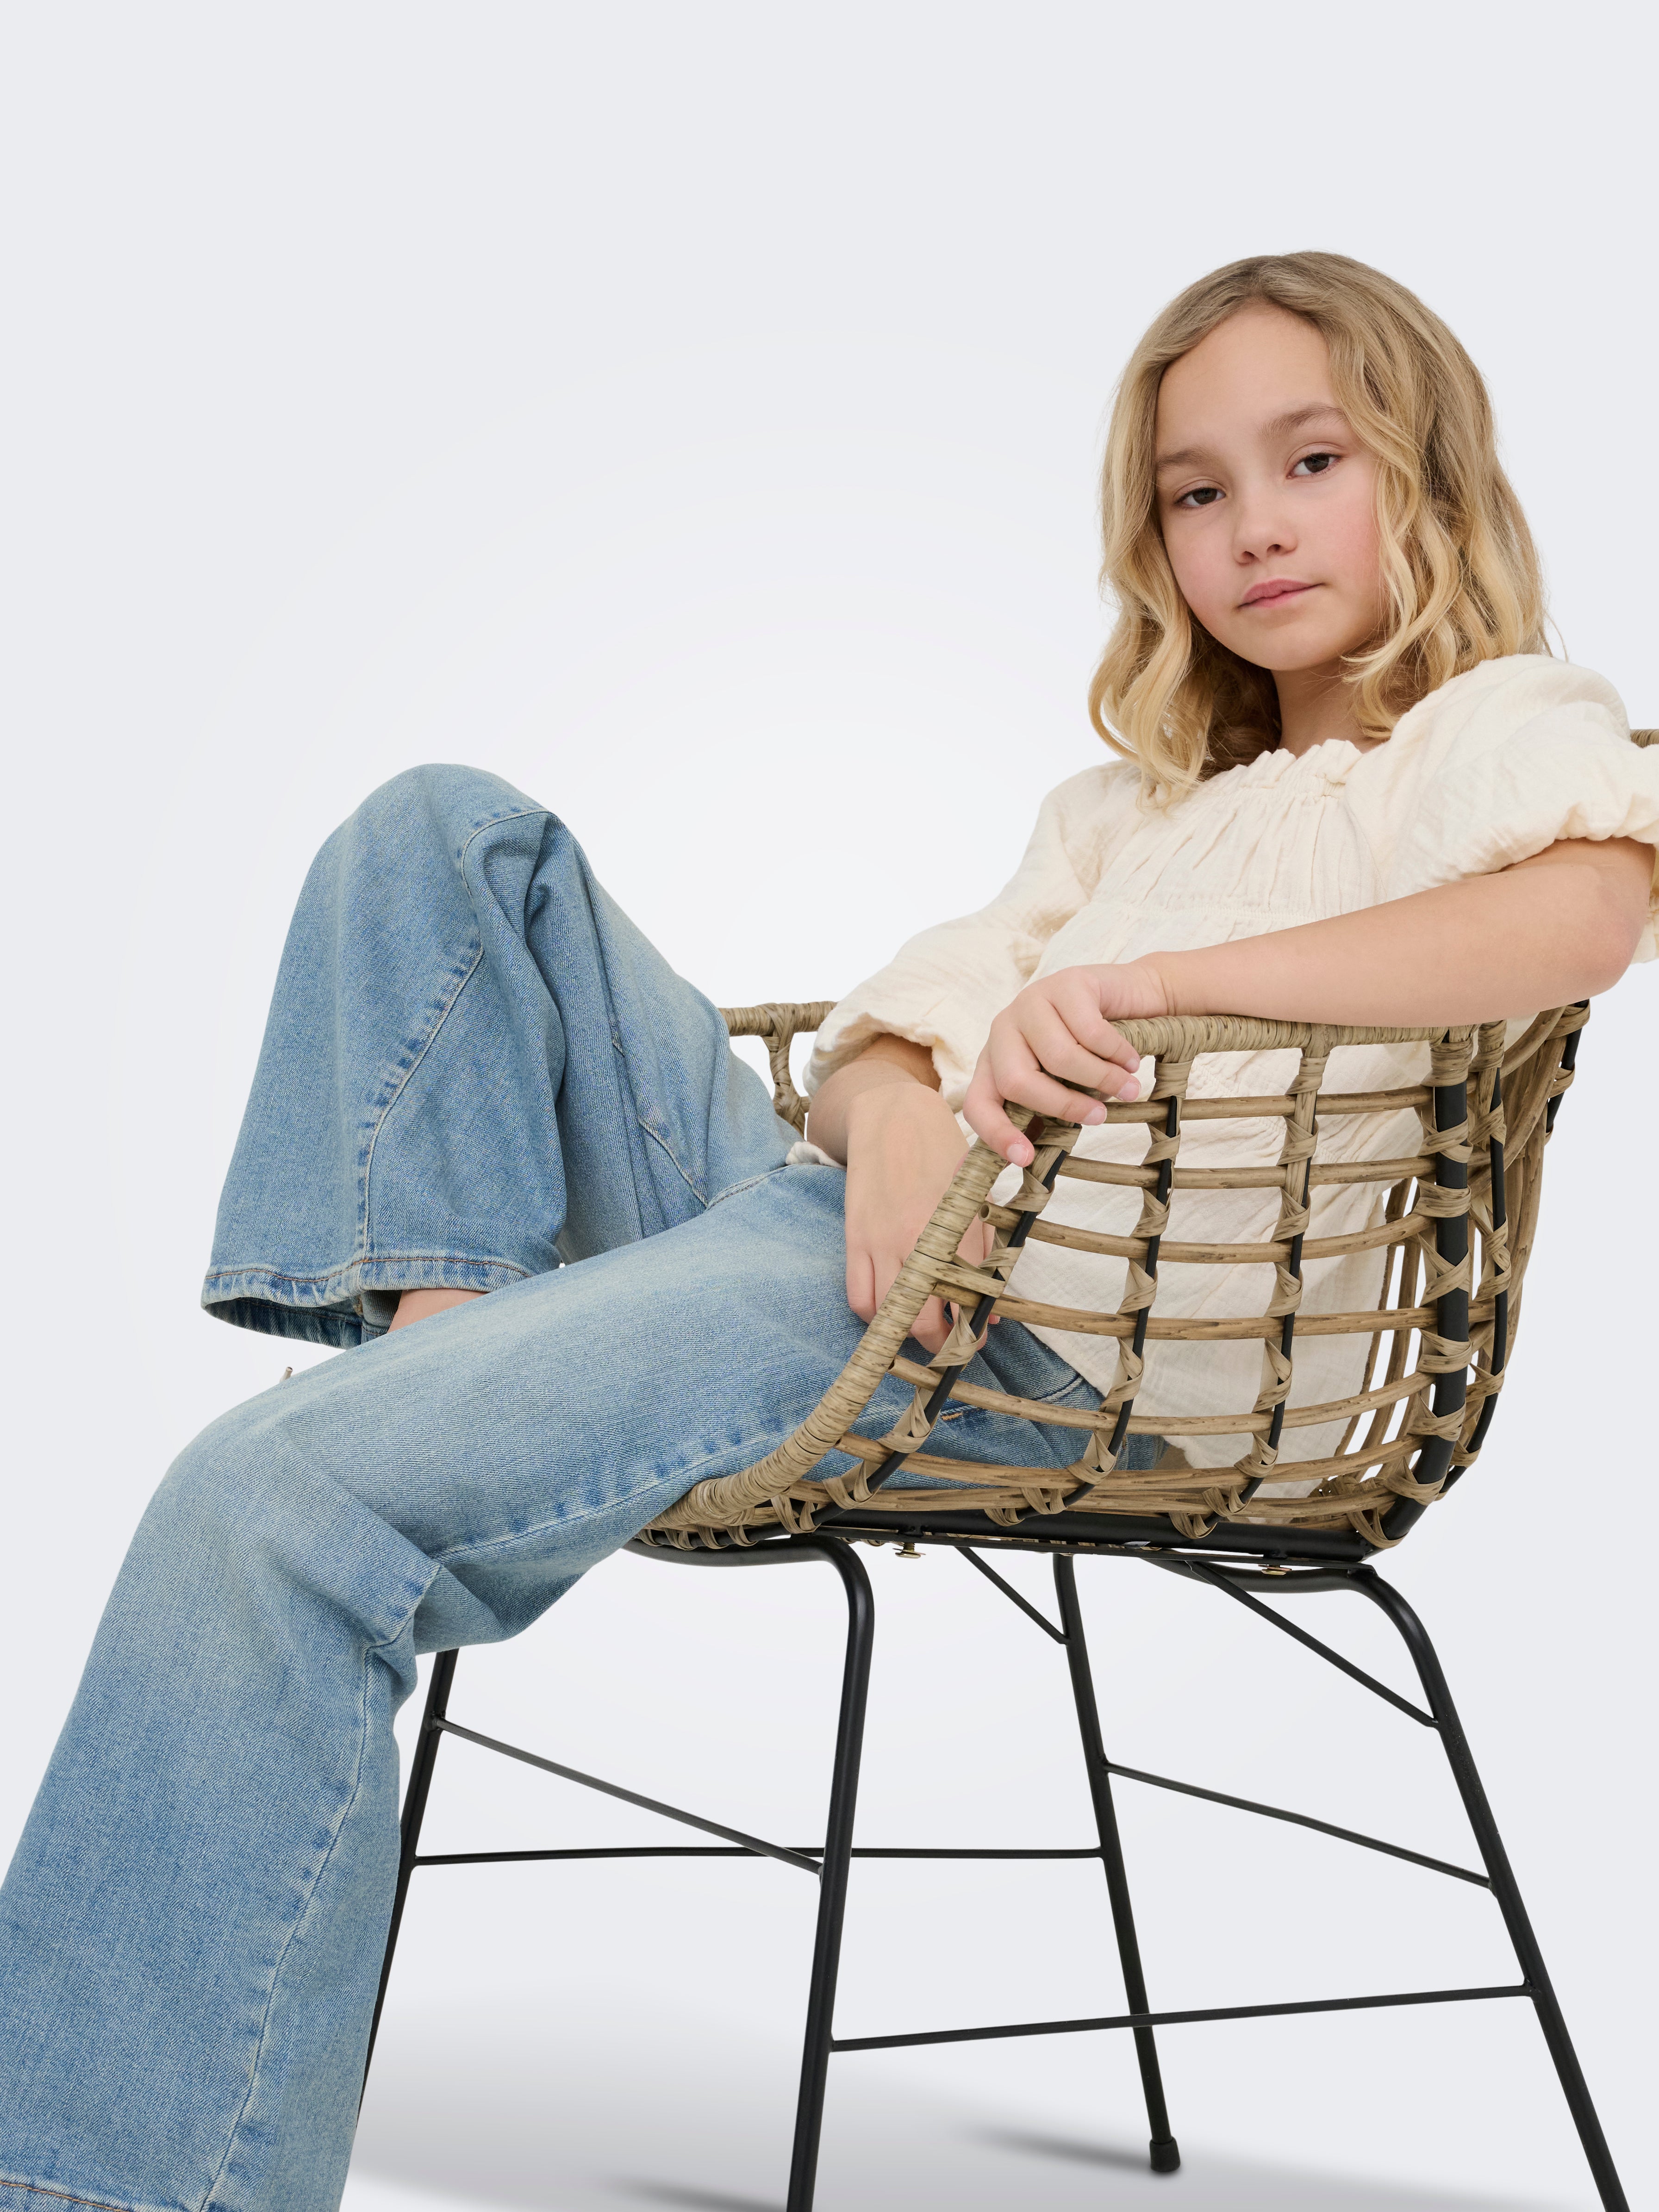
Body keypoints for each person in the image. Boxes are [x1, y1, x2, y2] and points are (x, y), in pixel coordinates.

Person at [0, 251, 1653, 2212]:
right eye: (1196, 491)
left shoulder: (1488, 735)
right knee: (445, 833)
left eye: (1312, 460)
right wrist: (889, 1123)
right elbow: (896, 1023)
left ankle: (108, 2161)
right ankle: (448, 1359)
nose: (1255, 526)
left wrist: (1162, 990)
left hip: (1031, 1347)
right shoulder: (1126, 812)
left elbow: (1592, 904)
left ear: (1428, 476)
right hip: (862, 1237)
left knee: (267, 1498)